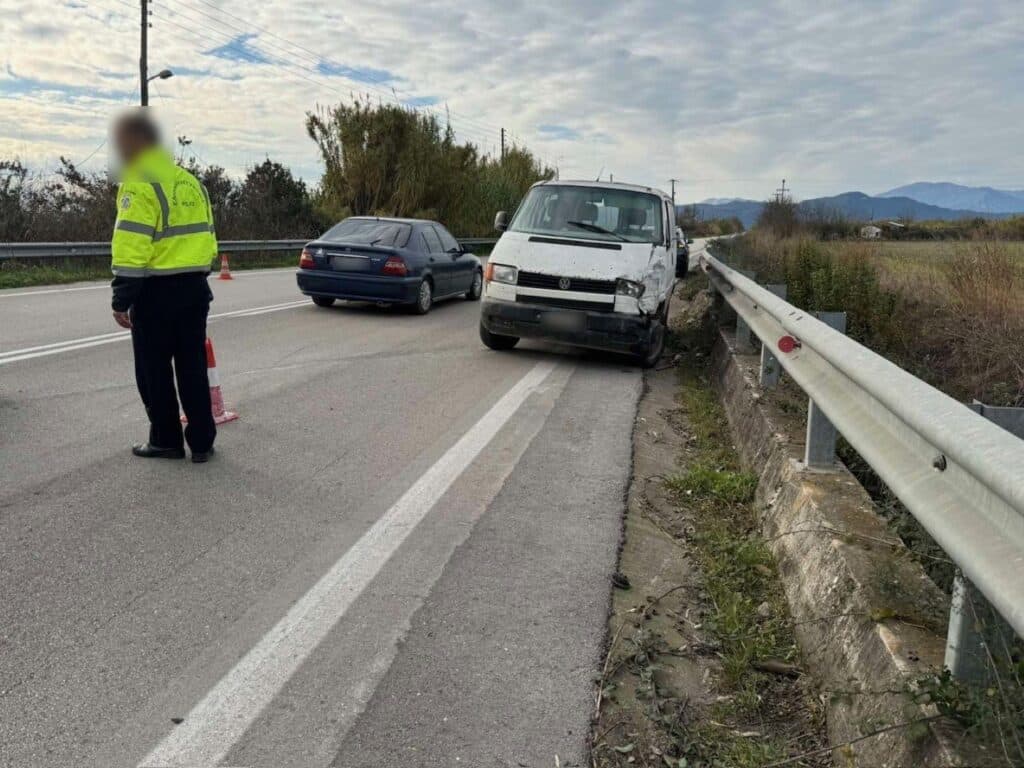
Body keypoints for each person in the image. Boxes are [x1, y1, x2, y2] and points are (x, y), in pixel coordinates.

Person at [109, 110, 218, 463]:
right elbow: (209, 238)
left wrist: (121, 298)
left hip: (156, 293)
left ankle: (166, 440)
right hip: (195, 289)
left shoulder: (139, 180)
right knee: (193, 367)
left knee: (154, 371)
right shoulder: (190, 182)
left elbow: (131, 245)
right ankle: (202, 443)